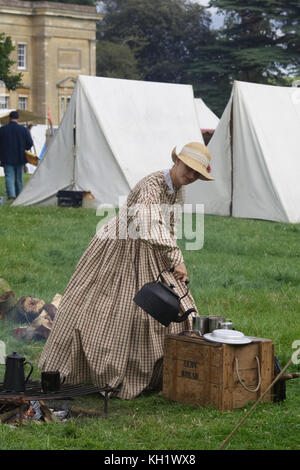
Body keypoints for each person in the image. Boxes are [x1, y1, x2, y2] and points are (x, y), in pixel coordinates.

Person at [39, 142, 214, 399]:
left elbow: (169, 226)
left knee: (169, 306)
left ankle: (162, 370)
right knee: (108, 308)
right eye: (189, 169)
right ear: (177, 161)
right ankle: (103, 372)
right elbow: (148, 223)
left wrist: (171, 257)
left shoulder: (179, 191)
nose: (190, 176)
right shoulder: (151, 185)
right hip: (121, 246)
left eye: (196, 174)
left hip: (152, 247)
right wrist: (175, 257)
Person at [0, 111, 33, 200]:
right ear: (18, 119)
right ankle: (19, 196)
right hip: (20, 157)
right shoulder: (23, 129)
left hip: (6, 157)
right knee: (19, 177)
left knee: (9, 177)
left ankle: (11, 195)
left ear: (9, 118)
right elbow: (30, 143)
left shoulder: (2, 129)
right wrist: (24, 149)